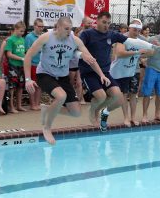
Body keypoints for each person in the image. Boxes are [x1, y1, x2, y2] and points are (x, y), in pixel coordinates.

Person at [23, 17, 110, 145]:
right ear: (57, 27)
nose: (69, 32)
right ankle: (47, 128)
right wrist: (27, 79)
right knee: (61, 96)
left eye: (71, 29)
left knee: (76, 112)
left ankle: (47, 109)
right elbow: (28, 56)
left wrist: (101, 74)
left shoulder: (75, 40)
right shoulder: (46, 37)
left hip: (62, 77)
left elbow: (90, 59)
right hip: (45, 74)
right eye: (66, 29)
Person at [79, 11, 128, 130]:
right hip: (89, 72)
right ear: (97, 21)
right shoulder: (87, 34)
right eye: (104, 22)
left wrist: (149, 46)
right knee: (101, 96)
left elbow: (129, 41)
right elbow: (77, 48)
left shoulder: (112, 35)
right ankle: (93, 113)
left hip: (105, 72)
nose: (106, 25)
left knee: (118, 97)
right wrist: (82, 55)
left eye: (109, 23)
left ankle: (100, 110)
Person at [109, 19, 158, 126]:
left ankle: (133, 117)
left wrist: (141, 55)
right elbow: (120, 53)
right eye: (134, 30)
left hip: (134, 70)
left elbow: (152, 52)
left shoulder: (141, 39)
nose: (136, 32)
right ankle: (126, 117)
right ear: (129, 28)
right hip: (122, 71)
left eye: (138, 30)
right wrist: (137, 52)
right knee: (124, 94)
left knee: (133, 95)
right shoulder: (122, 38)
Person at [5, 21, 27, 113]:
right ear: (16, 29)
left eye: (23, 32)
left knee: (20, 86)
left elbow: (24, 51)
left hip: (21, 66)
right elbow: (9, 54)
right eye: (21, 31)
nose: (22, 33)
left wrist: (26, 56)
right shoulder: (10, 40)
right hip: (13, 66)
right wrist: (21, 58)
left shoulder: (22, 39)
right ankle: (11, 106)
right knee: (12, 87)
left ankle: (19, 105)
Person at [25, 18, 44, 111]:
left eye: (42, 26)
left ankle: (37, 103)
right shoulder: (29, 37)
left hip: (41, 65)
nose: (41, 28)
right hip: (32, 64)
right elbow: (27, 51)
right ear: (34, 26)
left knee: (40, 85)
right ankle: (32, 104)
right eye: (39, 26)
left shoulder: (43, 36)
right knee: (32, 85)